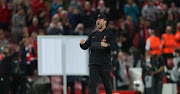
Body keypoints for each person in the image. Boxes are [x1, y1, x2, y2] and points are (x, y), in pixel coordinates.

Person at [80, 14, 118, 94]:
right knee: (92, 85)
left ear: (105, 21)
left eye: (100, 19)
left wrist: (107, 45)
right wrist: (81, 44)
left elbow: (115, 47)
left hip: (104, 63)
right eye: (97, 19)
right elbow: (85, 46)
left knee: (107, 85)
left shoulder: (109, 34)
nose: (98, 21)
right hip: (94, 63)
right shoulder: (93, 35)